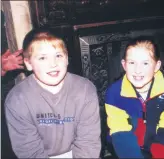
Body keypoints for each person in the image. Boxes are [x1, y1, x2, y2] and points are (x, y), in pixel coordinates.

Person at [4, 28, 101, 158]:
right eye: (43, 58)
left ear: (67, 59)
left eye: (58, 56)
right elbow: (29, 151)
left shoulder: (85, 89)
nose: (53, 64)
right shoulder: (17, 100)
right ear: (28, 63)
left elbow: (89, 142)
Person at [105, 37, 164, 158]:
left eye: (145, 63)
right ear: (124, 65)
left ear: (157, 66)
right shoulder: (115, 93)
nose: (138, 70)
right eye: (132, 63)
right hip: (130, 150)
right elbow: (121, 135)